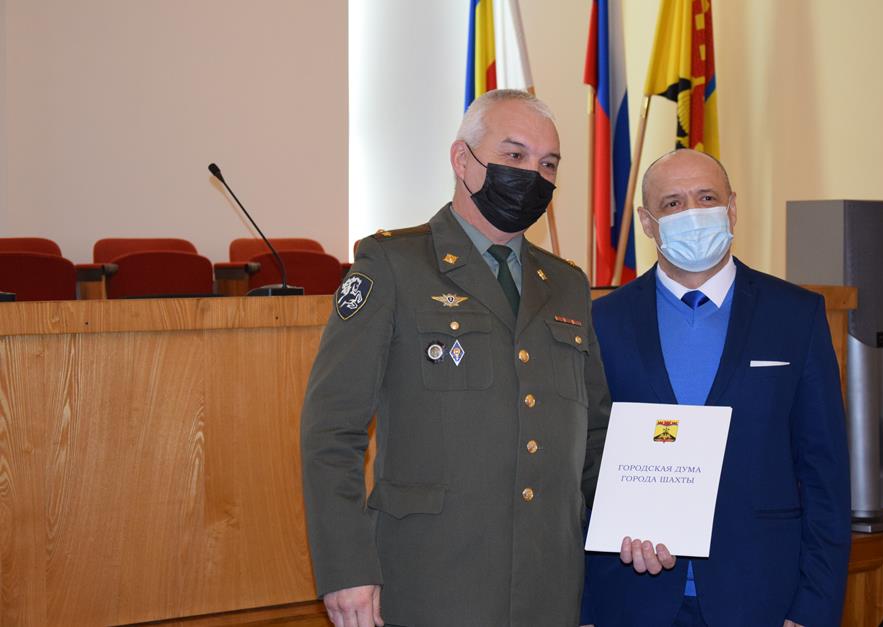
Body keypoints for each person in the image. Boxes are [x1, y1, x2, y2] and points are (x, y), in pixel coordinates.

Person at [300, 89, 611, 627]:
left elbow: (595, 437)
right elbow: (332, 429)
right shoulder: (392, 265)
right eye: (514, 155)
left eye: (548, 164)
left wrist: (642, 519)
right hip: (431, 581)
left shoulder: (566, 285)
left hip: (547, 584)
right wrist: (346, 566)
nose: (533, 175)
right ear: (461, 159)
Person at [583, 149, 851, 627]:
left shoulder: (795, 316)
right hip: (631, 596)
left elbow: (825, 473)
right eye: (672, 203)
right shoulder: (602, 321)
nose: (692, 213)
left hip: (762, 598)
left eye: (706, 197)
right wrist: (584, 610)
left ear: (732, 208)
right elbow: (582, 466)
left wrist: (813, 609)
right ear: (647, 222)